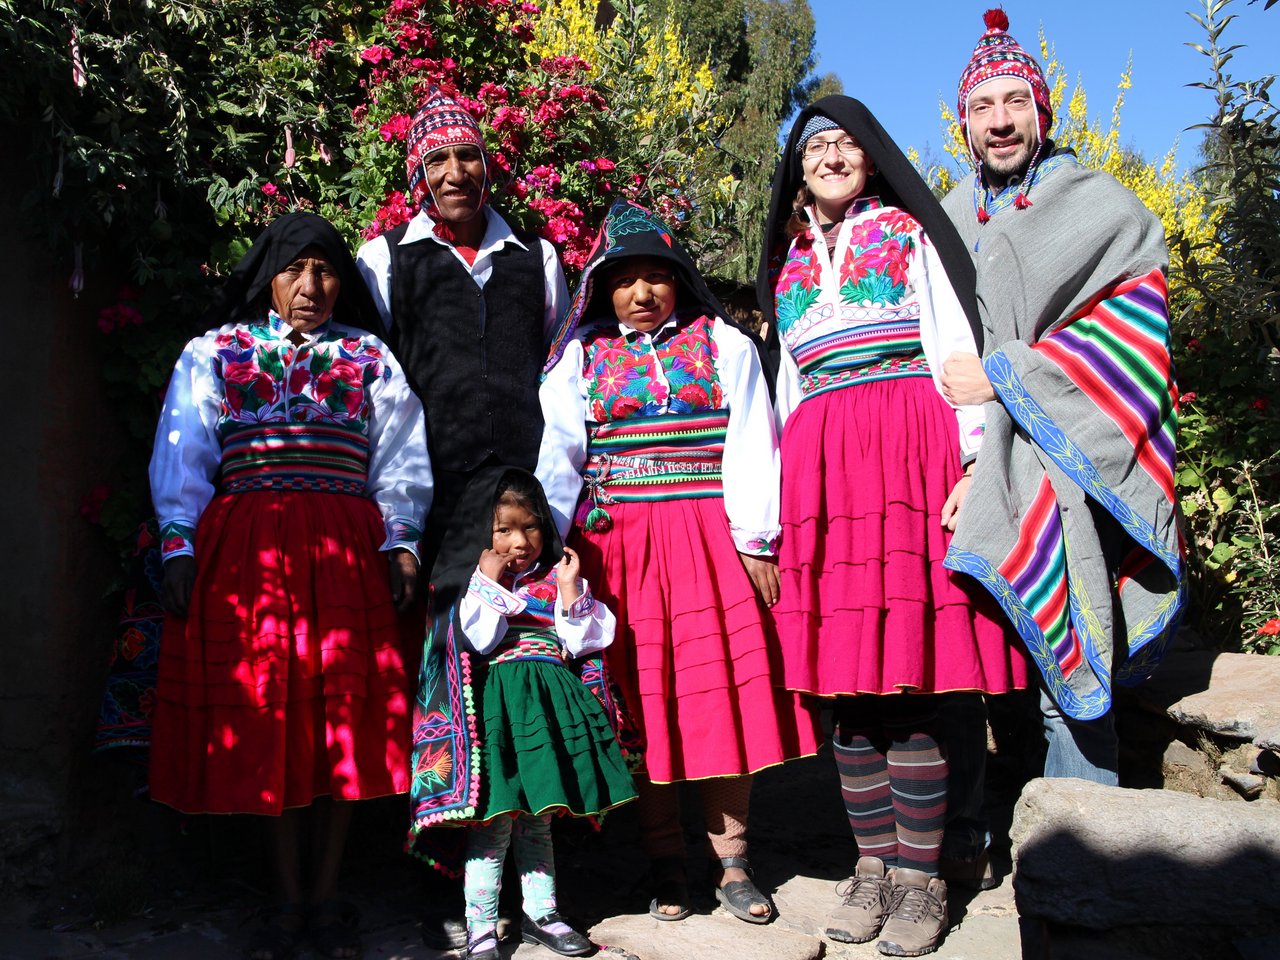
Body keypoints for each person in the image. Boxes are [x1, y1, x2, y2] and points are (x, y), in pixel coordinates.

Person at [756, 96, 1028, 956]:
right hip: (824, 473)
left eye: (846, 146)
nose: (832, 157)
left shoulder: (910, 236)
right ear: (797, 169)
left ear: (870, 159)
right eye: (816, 148)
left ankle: (921, 880)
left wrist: (978, 464)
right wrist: (777, 510)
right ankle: (871, 866)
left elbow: (956, 352)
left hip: (910, 453)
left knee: (911, 678)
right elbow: (788, 391)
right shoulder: (789, 264)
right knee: (847, 688)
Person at [149, 211, 433, 960]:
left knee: (338, 715)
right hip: (249, 560)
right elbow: (184, 453)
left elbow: (400, 458)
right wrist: (178, 545)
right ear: (268, 277)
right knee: (268, 714)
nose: (311, 286)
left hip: (345, 554)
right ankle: (283, 897)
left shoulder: (369, 357)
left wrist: (400, 542)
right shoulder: (216, 352)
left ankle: (326, 891)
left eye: (326, 271)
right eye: (294, 270)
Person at [539, 199, 819, 926]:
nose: (641, 293)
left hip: (707, 542)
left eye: (656, 277)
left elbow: (753, 443)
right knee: (645, 706)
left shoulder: (720, 342)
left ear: (678, 280)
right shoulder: (580, 355)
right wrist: (552, 551)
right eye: (624, 279)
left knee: (715, 698)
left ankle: (732, 861)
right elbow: (559, 458)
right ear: (601, 288)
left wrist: (756, 539)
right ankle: (665, 860)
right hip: (618, 547)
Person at [938, 10, 1184, 787]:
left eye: (1016, 103)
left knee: (1068, 668)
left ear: (1043, 111)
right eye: (983, 108)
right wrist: (968, 458)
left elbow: (1132, 346)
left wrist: (1007, 373)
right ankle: (1019, 842)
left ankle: (1092, 852)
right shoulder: (942, 219)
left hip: (1070, 467)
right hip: (967, 473)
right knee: (993, 669)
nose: (1000, 122)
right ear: (963, 123)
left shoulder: (1101, 207)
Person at [406, 467, 637, 960]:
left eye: (530, 527)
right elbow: (479, 638)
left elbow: (584, 642)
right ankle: (481, 926)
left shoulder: (558, 578)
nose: (519, 542)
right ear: (483, 532)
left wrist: (572, 590)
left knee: (539, 820)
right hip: (497, 717)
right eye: (504, 529)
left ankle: (543, 913)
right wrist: (489, 580)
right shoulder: (467, 581)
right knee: (494, 821)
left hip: (546, 715)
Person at [356, 86, 569, 577]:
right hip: (432, 491)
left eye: (468, 155)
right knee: (439, 628)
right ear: (417, 175)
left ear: (486, 166)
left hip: (524, 490)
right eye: (437, 160)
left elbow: (560, 368)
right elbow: (373, 380)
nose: (456, 173)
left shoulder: (537, 257)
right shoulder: (384, 259)